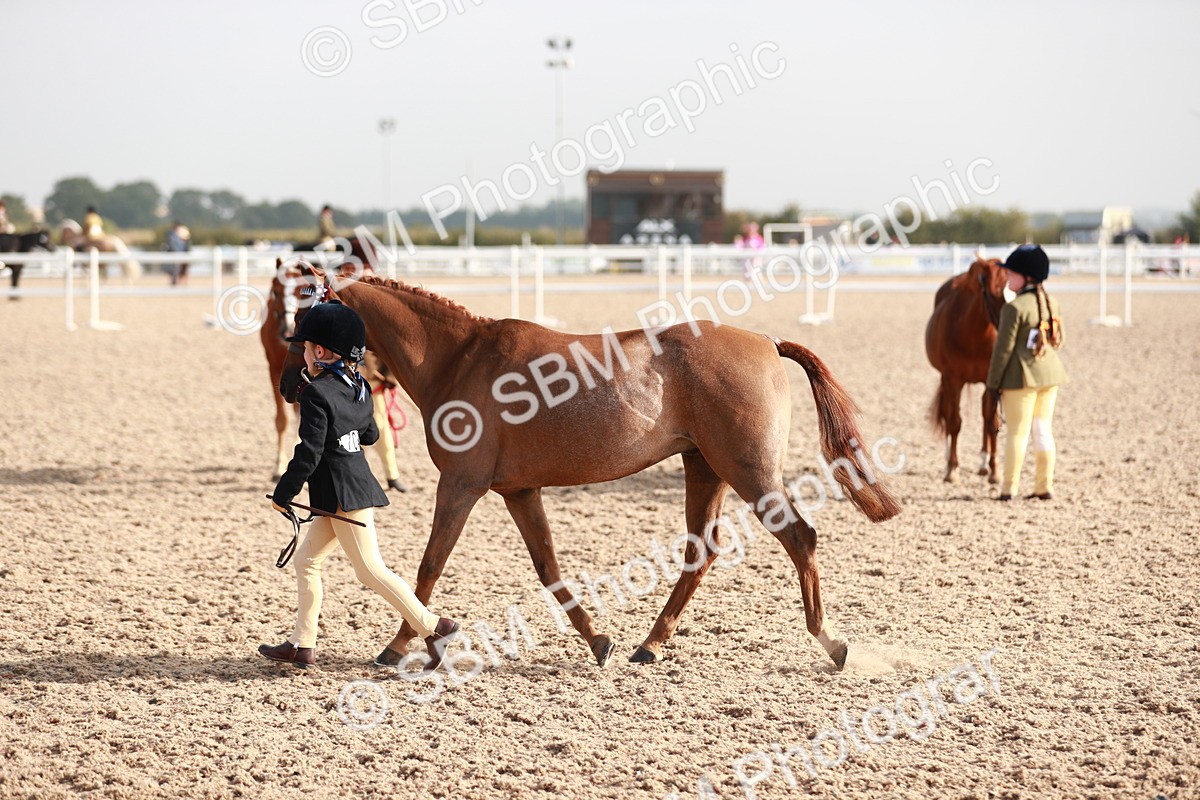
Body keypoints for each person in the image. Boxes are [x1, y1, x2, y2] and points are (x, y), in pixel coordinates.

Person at [259, 300, 457, 670]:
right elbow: (369, 434)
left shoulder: (316, 393)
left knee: (370, 570)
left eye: (304, 347)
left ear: (319, 351)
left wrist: (285, 493)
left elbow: (309, 452)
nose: (303, 353)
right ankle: (303, 645)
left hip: (344, 496)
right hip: (343, 491)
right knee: (307, 561)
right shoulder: (360, 386)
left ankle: (435, 626)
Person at [985, 244, 1068, 502]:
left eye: (1012, 272)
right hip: (1050, 375)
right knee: (1043, 431)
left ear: (1028, 277)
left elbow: (1003, 351)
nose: (1007, 275)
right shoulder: (1051, 302)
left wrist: (992, 384)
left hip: (1020, 379)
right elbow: (1058, 340)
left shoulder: (1014, 308)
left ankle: (1009, 489)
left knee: (1018, 432)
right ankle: (1044, 486)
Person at [165, 221, 191, 286]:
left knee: (183, 268)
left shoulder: (181, 234)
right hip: (175, 253)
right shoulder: (171, 234)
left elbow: (185, 243)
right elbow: (172, 244)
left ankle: (181, 282)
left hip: (182, 253)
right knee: (175, 268)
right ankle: (174, 281)